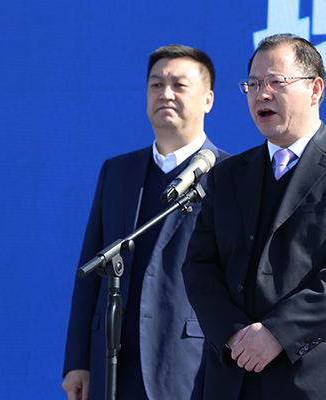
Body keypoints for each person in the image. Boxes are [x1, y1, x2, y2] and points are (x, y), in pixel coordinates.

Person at [182, 34, 326, 400]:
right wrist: (234, 334)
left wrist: (278, 333)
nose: (262, 94)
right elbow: (200, 267)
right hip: (234, 374)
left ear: (315, 89)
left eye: (276, 82)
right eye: (253, 84)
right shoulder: (227, 175)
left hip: (316, 377)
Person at [62, 44, 229, 400]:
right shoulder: (117, 171)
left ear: (208, 99)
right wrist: (77, 361)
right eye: (156, 84)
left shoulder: (230, 176)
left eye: (179, 85)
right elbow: (91, 269)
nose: (165, 94)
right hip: (111, 364)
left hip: (189, 363)